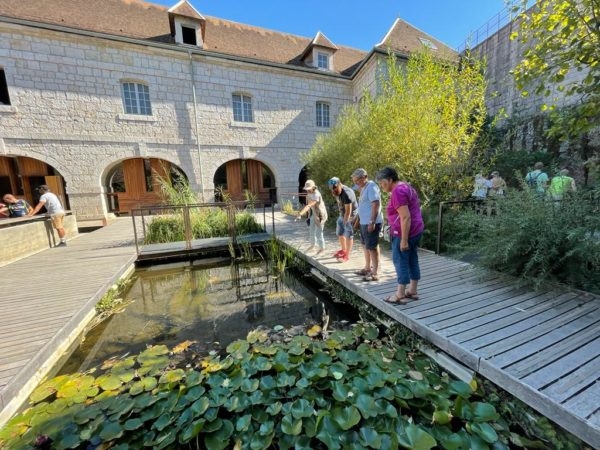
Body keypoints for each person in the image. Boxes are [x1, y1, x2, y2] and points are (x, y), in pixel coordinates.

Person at [376, 167, 424, 304]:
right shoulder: (406, 186)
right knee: (412, 258)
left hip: (405, 232)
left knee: (400, 260)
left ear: (390, 180)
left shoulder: (397, 191)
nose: (381, 185)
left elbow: (405, 217)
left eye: (383, 182)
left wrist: (403, 240)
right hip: (416, 229)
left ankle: (400, 293)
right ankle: (412, 290)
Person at [351, 168, 383, 281]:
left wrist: (372, 222)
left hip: (371, 222)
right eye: (355, 181)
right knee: (365, 245)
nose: (356, 184)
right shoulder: (363, 187)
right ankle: (367, 268)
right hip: (364, 222)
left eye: (357, 181)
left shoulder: (371, 186)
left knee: (372, 247)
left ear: (364, 177)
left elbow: (376, 204)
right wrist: (357, 219)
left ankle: (375, 272)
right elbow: (363, 206)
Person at [328, 177, 358, 263]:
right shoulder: (336, 191)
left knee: (348, 234)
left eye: (334, 187)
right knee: (340, 233)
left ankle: (347, 255)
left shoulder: (347, 194)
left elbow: (348, 211)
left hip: (351, 215)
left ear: (339, 184)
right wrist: (340, 215)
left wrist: (345, 222)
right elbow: (340, 203)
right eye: (331, 188)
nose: (333, 190)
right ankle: (343, 250)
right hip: (342, 214)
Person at [296, 179, 328, 255]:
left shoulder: (316, 194)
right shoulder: (309, 193)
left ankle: (322, 248)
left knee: (318, 233)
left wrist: (300, 214)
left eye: (308, 189)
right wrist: (306, 215)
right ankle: (313, 245)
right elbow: (308, 207)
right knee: (311, 231)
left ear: (313, 187)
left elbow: (309, 205)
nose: (307, 190)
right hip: (313, 214)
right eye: (306, 189)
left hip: (320, 214)